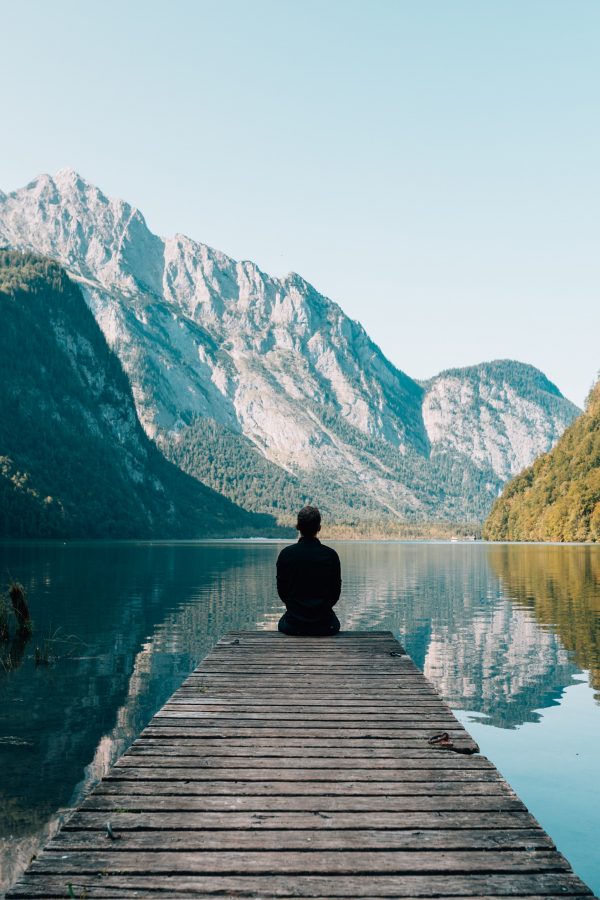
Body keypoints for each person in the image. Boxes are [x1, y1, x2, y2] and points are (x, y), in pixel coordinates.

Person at [276, 506, 341, 636]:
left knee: (283, 622)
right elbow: (335, 593)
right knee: (334, 622)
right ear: (319, 528)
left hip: (293, 625)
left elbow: (282, 591)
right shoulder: (331, 555)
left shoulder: (285, 554)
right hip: (325, 625)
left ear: (297, 527)